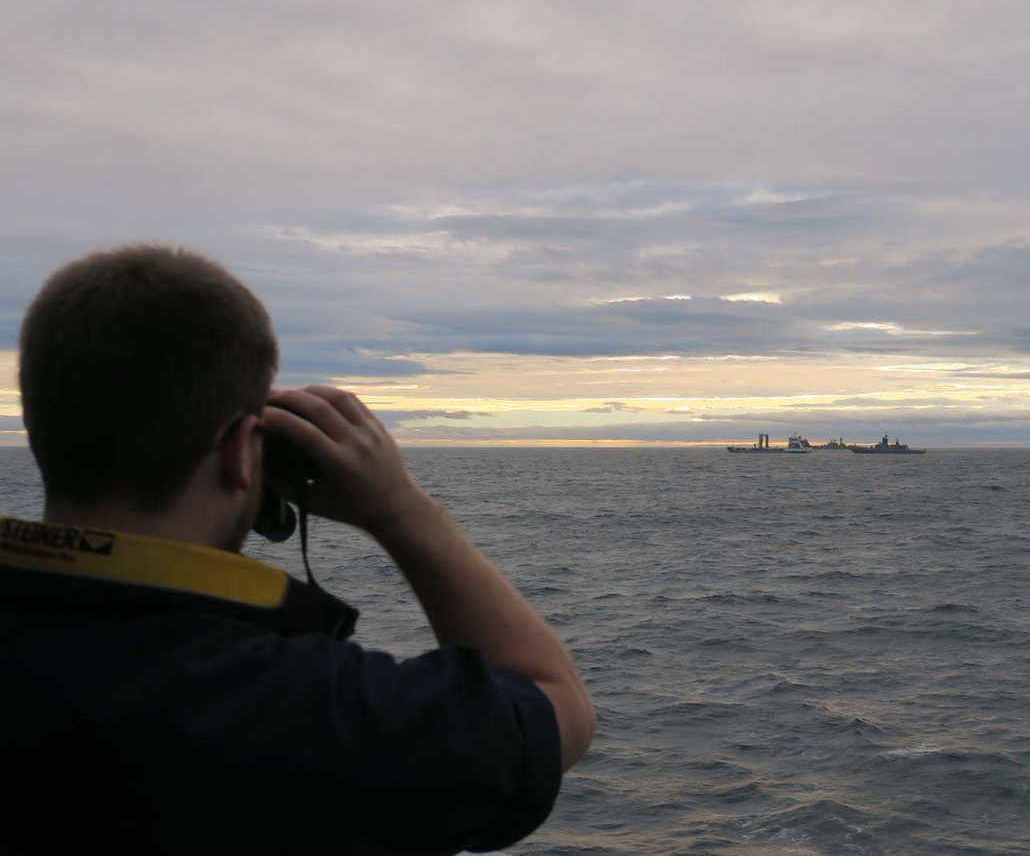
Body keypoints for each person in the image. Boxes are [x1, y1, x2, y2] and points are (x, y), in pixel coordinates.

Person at [0, 244, 594, 854]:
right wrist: (402, 510)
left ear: (43, 429)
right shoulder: (311, 715)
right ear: (241, 451)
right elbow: (558, 708)